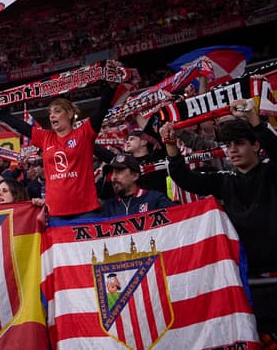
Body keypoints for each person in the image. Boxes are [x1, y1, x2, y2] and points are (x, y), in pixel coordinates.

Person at [161, 98, 277, 333]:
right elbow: (185, 179)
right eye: (227, 145)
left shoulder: (272, 171)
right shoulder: (225, 179)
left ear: (255, 145)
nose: (232, 150)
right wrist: (171, 145)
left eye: (239, 143)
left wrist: (254, 120)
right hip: (248, 278)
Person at [0, 79, 117, 217]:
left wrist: (110, 88)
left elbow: (101, 110)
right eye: (50, 113)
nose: (52, 115)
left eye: (57, 111)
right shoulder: (45, 137)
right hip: (54, 213)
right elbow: (21, 126)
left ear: (70, 113)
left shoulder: (84, 134)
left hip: (85, 211)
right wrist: (1, 114)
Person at [100, 154, 174, 217]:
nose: (113, 177)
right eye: (112, 173)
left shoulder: (155, 200)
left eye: (119, 172)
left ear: (135, 175)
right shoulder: (108, 208)